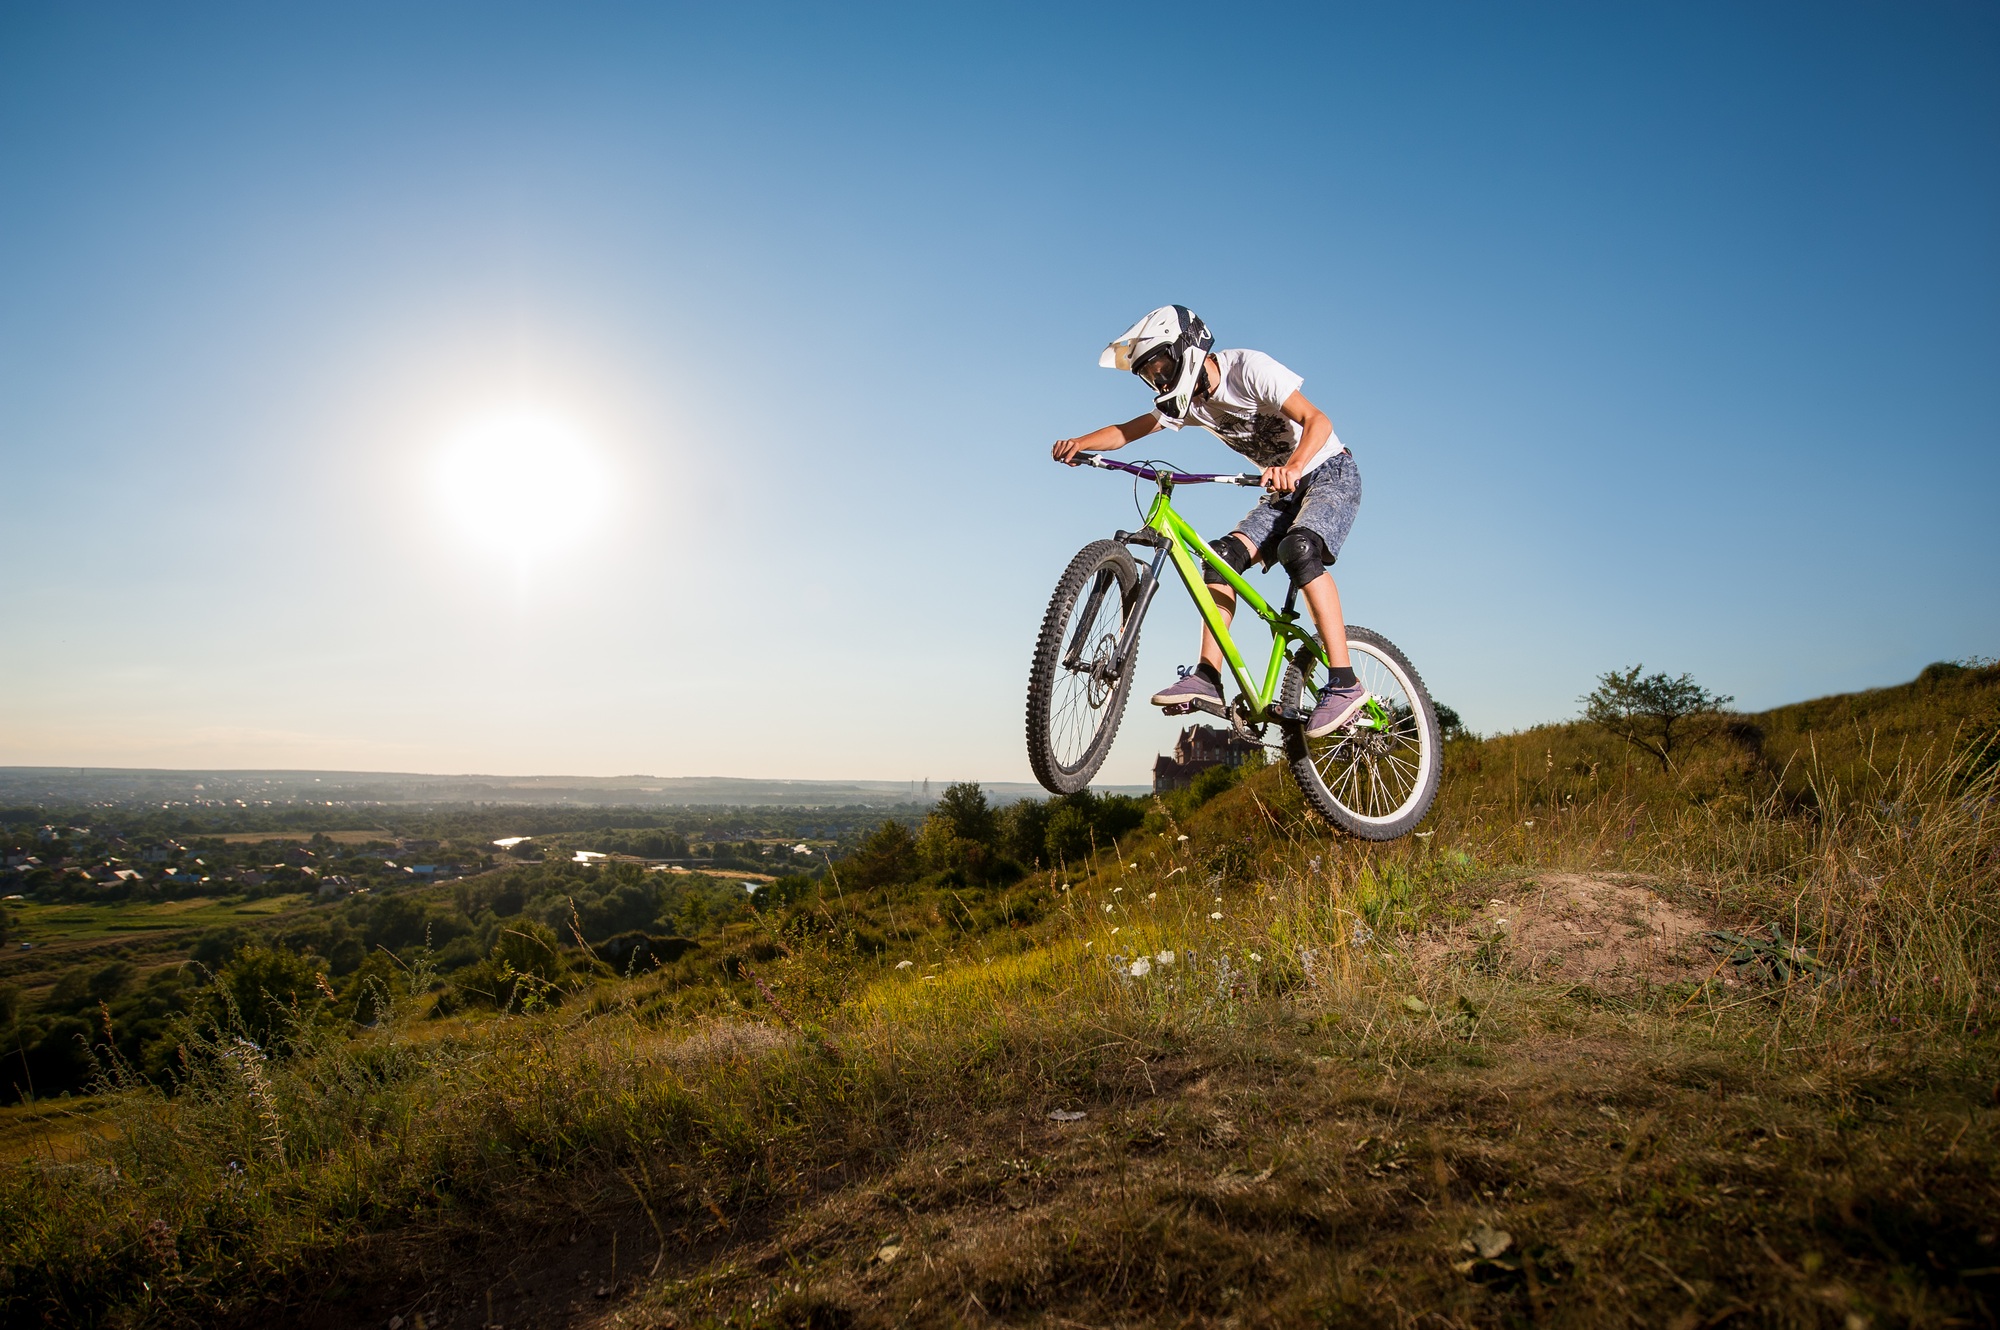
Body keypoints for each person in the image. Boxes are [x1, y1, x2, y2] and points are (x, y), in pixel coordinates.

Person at [1052, 305, 1367, 738]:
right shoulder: (1187, 404)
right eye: (1150, 376)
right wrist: (1080, 444)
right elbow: (1130, 430)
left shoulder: (1248, 369)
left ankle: (1345, 682)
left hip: (1327, 471)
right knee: (1219, 559)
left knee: (1300, 549)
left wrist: (1293, 466)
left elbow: (1318, 420)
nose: (1160, 381)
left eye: (1162, 367)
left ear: (1187, 349)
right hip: (1282, 490)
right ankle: (1208, 676)